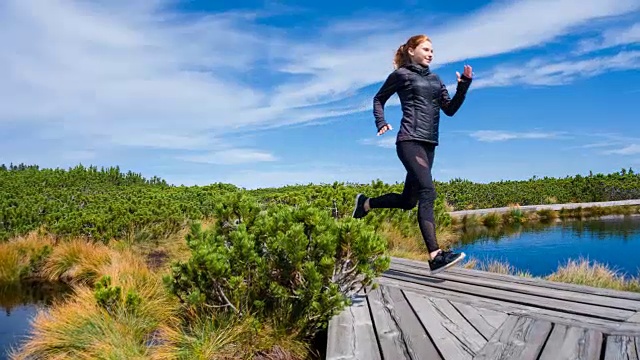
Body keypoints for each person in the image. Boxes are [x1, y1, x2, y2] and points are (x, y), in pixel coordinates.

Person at [352, 34, 472, 274]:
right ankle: (435, 256)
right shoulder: (401, 75)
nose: (431, 53)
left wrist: (463, 87)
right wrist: (381, 122)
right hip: (409, 141)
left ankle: (365, 203)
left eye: (432, 51)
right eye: (426, 49)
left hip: (429, 144)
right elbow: (379, 99)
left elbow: (449, 110)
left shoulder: (437, 80)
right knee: (428, 191)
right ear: (410, 50)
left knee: (409, 202)